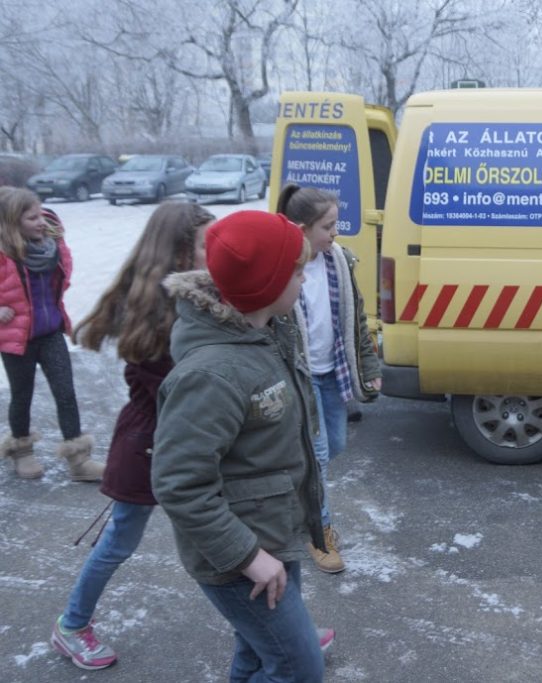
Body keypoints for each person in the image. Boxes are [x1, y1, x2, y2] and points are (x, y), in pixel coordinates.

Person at [151, 210, 329, 682]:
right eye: (296, 269)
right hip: (237, 555)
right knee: (298, 668)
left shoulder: (265, 332)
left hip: (272, 532)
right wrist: (248, 558)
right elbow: (179, 484)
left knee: (256, 653)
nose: (304, 277)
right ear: (265, 284)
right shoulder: (212, 374)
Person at [50, 202, 215, 670]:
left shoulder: (198, 295)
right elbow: (182, 388)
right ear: (180, 253)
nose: (218, 251)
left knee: (223, 542)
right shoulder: (157, 311)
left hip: (185, 441)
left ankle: (279, 630)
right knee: (120, 541)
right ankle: (71, 625)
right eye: (208, 244)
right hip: (150, 446)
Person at [276, 184, 382, 574]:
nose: (335, 233)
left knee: (333, 445)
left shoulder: (339, 260)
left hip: (332, 372)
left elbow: (356, 322)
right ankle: (318, 533)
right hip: (300, 380)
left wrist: (370, 368)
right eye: (328, 226)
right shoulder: (281, 267)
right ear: (301, 229)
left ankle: (297, 493)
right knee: (318, 457)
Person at [0, 187, 103, 481]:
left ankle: (79, 460)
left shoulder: (50, 248)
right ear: (13, 222)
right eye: (32, 218)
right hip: (17, 338)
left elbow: (64, 278)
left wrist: (57, 240)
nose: (40, 222)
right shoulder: (4, 255)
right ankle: (22, 450)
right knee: (22, 395)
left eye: (40, 215)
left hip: (51, 333)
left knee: (66, 392)